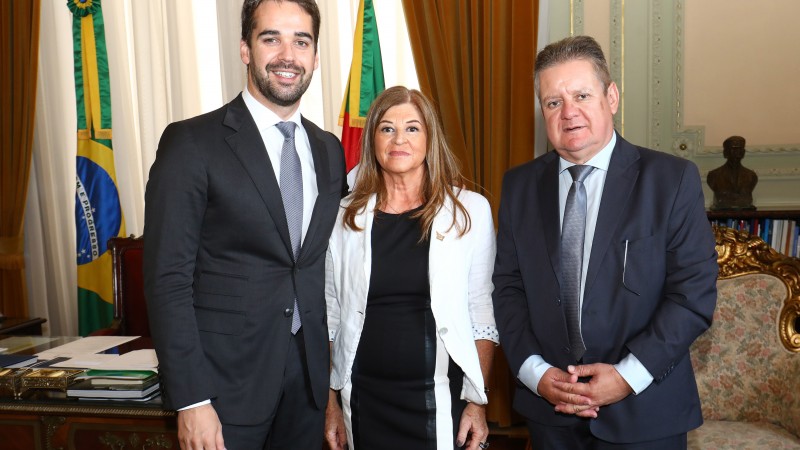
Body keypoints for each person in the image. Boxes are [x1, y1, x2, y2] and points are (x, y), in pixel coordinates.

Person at [492, 35, 718, 449]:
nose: (569, 113)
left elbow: (692, 297)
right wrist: (534, 372)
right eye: (553, 102)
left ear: (611, 97)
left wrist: (626, 377)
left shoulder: (670, 181)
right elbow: (507, 289)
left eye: (581, 94)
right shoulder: (519, 186)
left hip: (646, 415)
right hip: (550, 418)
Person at [143, 1, 346, 449]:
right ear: (245, 49)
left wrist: (333, 391)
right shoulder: (191, 143)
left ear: (315, 56)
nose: (288, 55)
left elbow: (323, 269)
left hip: (309, 389)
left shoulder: (330, 150)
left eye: (302, 41)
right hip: (222, 391)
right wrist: (191, 400)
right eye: (271, 38)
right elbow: (167, 281)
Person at [324, 86, 497, 450]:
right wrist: (331, 404)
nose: (398, 138)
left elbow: (481, 313)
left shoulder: (469, 212)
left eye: (412, 128)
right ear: (372, 140)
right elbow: (332, 316)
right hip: (364, 397)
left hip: (440, 397)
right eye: (386, 128)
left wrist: (477, 401)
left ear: (430, 137)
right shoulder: (343, 217)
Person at [707, 135, 758, 210]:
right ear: (725, 152)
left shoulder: (752, 176)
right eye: (733, 149)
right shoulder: (713, 175)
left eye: (740, 149)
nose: (737, 152)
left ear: (743, 152)